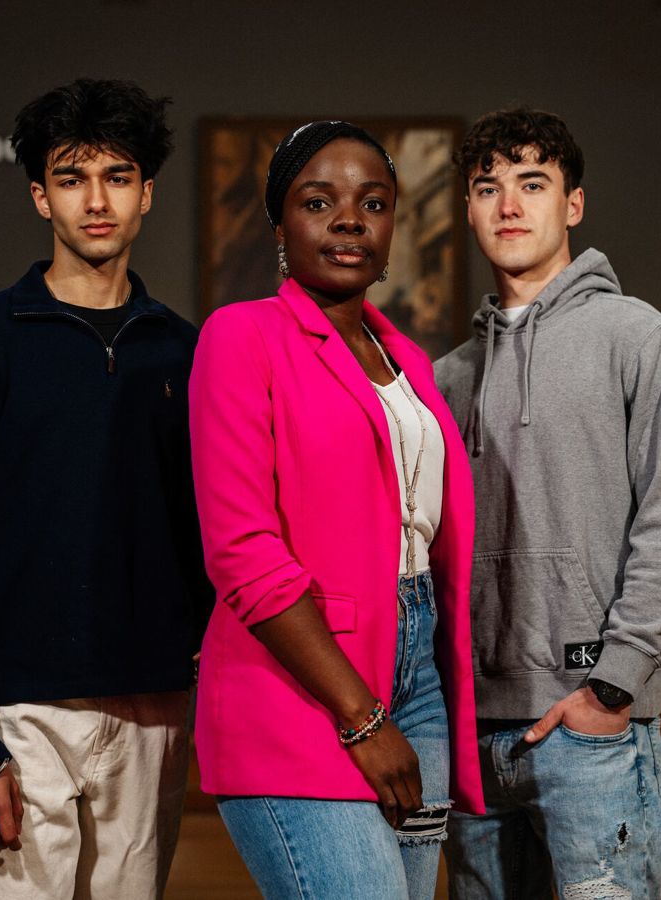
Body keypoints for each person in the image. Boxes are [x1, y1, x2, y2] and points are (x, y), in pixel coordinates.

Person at [0, 78, 211, 900]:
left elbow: (205, 532)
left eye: (117, 177)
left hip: (151, 709)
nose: (96, 201)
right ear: (41, 196)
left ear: (147, 192)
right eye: (72, 179)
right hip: (17, 717)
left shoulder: (184, 352)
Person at [189, 120, 484, 900]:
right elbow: (242, 551)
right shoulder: (240, 336)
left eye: (373, 204)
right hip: (305, 685)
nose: (349, 220)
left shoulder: (409, 361)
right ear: (279, 226)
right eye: (318, 202)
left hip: (419, 679)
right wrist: (361, 717)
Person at [435, 107, 661, 898]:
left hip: (591, 732)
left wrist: (613, 687)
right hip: (473, 738)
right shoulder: (448, 375)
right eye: (487, 188)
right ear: (468, 209)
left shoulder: (640, 339)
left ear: (574, 204)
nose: (509, 205)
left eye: (533, 184)